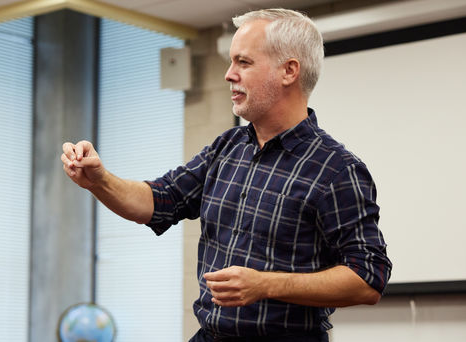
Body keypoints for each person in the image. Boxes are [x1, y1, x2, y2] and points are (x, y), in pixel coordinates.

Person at [60, 8, 392, 342]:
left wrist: (265, 284)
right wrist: (99, 180)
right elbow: (159, 201)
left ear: (289, 71)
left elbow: (367, 278)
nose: (229, 75)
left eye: (243, 62)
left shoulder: (336, 169)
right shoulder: (227, 148)